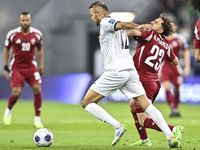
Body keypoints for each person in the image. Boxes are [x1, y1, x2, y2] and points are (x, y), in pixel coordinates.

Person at [82, 1, 180, 148]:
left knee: (87, 102)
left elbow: (123, 26)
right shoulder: (165, 43)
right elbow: (175, 60)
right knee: (146, 107)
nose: (91, 18)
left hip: (116, 70)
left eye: (92, 15)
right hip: (132, 71)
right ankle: (169, 136)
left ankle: (117, 126)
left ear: (99, 13)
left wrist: (138, 26)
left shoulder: (106, 22)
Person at [126, 13, 184, 147]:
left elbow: (133, 33)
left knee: (142, 120)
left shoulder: (149, 35)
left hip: (142, 81)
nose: (152, 22)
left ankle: (173, 129)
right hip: (154, 82)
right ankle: (144, 140)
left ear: (160, 30)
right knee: (132, 106)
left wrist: (120, 31)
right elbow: (175, 60)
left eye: (156, 22)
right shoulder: (166, 44)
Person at [3, 12, 44, 128]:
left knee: (37, 88)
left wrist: (41, 65)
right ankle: (9, 109)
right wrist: (5, 67)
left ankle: (37, 119)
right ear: (20, 21)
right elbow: (6, 50)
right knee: (16, 93)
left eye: (27, 20)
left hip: (31, 66)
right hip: (17, 66)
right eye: (23, 20)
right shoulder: (12, 34)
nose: (25, 22)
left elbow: (40, 49)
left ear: (30, 21)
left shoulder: (37, 34)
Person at [160, 22, 190, 117]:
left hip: (176, 68)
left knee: (177, 88)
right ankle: (173, 109)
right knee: (167, 87)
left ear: (175, 27)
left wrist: (187, 67)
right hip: (164, 67)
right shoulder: (161, 39)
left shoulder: (180, 39)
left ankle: (175, 109)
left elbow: (186, 53)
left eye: (173, 25)